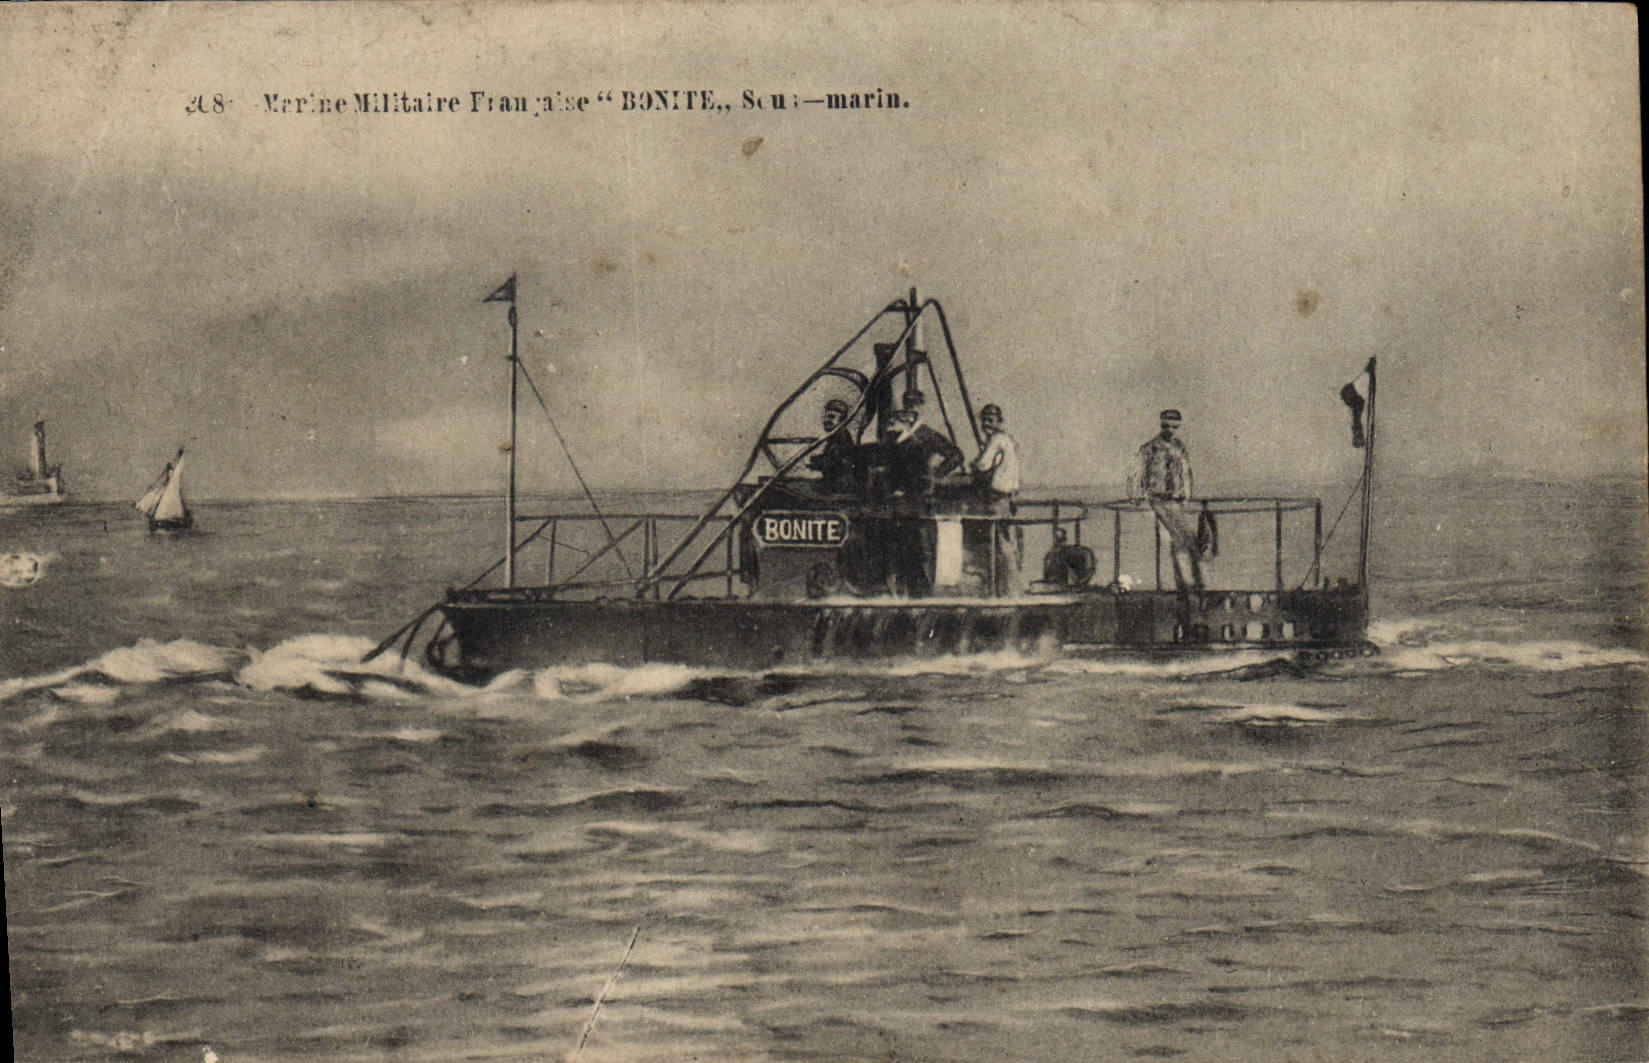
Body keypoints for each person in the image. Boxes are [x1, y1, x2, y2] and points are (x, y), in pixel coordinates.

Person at [1128, 408, 1203, 592]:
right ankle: (1190, 581)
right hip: (1158, 499)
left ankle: (1190, 580)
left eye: (1174, 427)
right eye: (1166, 426)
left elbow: (1185, 473)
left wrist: (1186, 494)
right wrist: (1136, 496)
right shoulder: (1149, 449)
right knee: (1183, 537)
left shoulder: (1179, 448)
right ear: (1161, 425)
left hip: (1175, 499)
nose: (1170, 430)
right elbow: (1135, 473)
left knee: (1184, 538)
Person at [971, 403, 1021, 594]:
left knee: (998, 545)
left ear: (999, 421)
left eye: (990, 420)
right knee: (1006, 544)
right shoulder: (1009, 440)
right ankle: (1008, 589)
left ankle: (1002, 590)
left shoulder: (997, 440)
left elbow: (982, 465)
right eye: (984, 421)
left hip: (996, 499)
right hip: (1007, 499)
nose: (986, 425)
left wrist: (975, 467)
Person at [809, 397, 858, 492]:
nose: (826, 420)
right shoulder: (835, 436)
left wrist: (815, 463)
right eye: (825, 417)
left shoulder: (842, 438)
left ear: (843, 420)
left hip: (839, 485)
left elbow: (835, 461)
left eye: (831, 417)